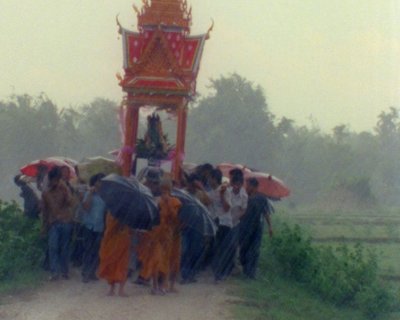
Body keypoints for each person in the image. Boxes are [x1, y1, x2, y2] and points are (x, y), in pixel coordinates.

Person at [139, 179, 182, 295]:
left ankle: (164, 285)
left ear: (170, 190)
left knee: (166, 260)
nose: (164, 192)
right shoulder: (157, 201)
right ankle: (154, 286)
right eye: (162, 190)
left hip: (168, 235)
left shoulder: (175, 202)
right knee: (156, 259)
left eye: (166, 190)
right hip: (156, 234)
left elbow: (175, 218)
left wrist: (168, 203)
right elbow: (153, 217)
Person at [41, 167, 74, 281]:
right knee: (53, 247)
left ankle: (65, 271)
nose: (55, 182)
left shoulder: (64, 189)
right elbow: (44, 211)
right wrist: (43, 226)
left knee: (64, 248)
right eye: (53, 180)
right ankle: (55, 272)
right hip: (53, 222)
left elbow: (70, 203)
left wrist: (65, 189)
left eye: (57, 179)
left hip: (65, 221)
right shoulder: (46, 193)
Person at [239, 178, 273, 279]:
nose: (246, 187)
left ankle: (251, 272)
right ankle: (245, 268)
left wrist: (270, 227)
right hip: (244, 227)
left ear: (253, 186)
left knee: (254, 249)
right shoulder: (244, 197)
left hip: (257, 227)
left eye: (248, 185)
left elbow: (266, 213)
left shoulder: (261, 198)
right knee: (244, 248)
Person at [180, 173, 210, 284]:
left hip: (198, 226)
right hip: (185, 225)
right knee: (185, 250)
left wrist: (202, 189)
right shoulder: (183, 193)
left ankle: (190, 273)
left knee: (195, 251)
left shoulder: (200, 194)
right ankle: (185, 274)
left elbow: (209, 202)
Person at [209, 168, 235, 282]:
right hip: (215, 222)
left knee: (221, 249)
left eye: (210, 178)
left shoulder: (225, 191)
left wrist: (222, 195)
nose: (208, 180)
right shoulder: (211, 192)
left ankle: (220, 273)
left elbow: (227, 208)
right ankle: (217, 273)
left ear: (214, 179)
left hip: (224, 223)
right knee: (216, 248)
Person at [81, 173, 106, 283]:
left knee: (97, 251)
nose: (100, 183)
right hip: (89, 226)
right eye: (98, 181)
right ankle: (85, 272)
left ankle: (92, 272)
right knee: (87, 249)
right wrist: (90, 194)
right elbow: (86, 207)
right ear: (94, 182)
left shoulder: (105, 196)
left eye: (102, 181)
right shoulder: (89, 193)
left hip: (100, 227)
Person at [98, 213, 131, 297]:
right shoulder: (111, 212)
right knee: (111, 263)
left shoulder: (128, 212)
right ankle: (112, 288)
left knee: (122, 264)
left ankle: (121, 289)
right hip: (112, 240)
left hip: (123, 239)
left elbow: (130, 226)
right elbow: (109, 226)